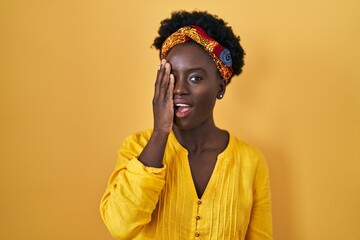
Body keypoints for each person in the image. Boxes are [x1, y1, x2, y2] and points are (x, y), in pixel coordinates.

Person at [100, 10, 272, 240]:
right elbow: (120, 226)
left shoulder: (251, 162)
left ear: (220, 87)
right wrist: (161, 132)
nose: (179, 89)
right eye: (171, 76)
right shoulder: (136, 147)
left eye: (195, 78)